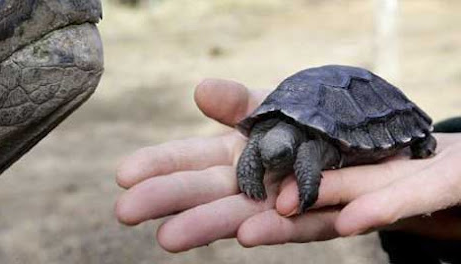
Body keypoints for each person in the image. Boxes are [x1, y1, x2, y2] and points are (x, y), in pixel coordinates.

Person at [115, 79, 461, 263]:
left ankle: (420, 139)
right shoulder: (263, 137)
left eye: (282, 156)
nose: (275, 161)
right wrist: (249, 176)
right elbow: (257, 149)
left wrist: (307, 188)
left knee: (414, 141)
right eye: (269, 156)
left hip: (358, 100)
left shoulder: (308, 147)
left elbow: (306, 159)